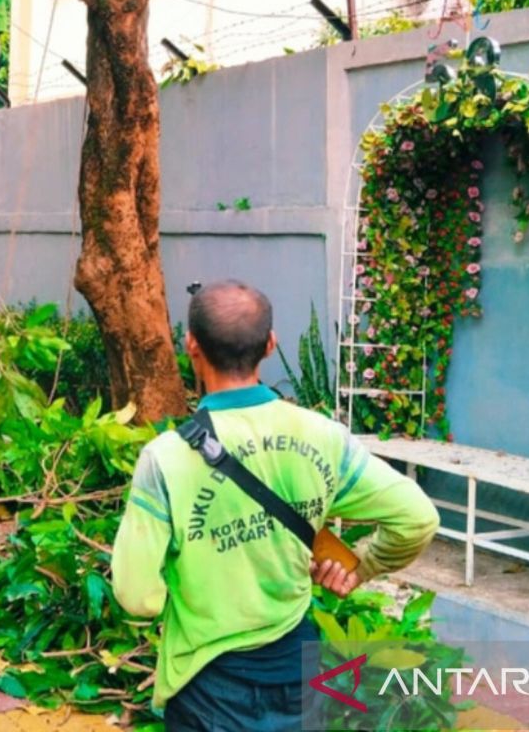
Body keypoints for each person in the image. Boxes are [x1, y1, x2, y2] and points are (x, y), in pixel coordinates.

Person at [110, 281, 440, 731]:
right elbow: (418, 518)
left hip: (207, 683)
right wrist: (362, 566)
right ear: (270, 344)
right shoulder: (323, 436)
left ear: (191, 345)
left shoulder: (165, 459)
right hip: (298, 669)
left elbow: (138, 597)